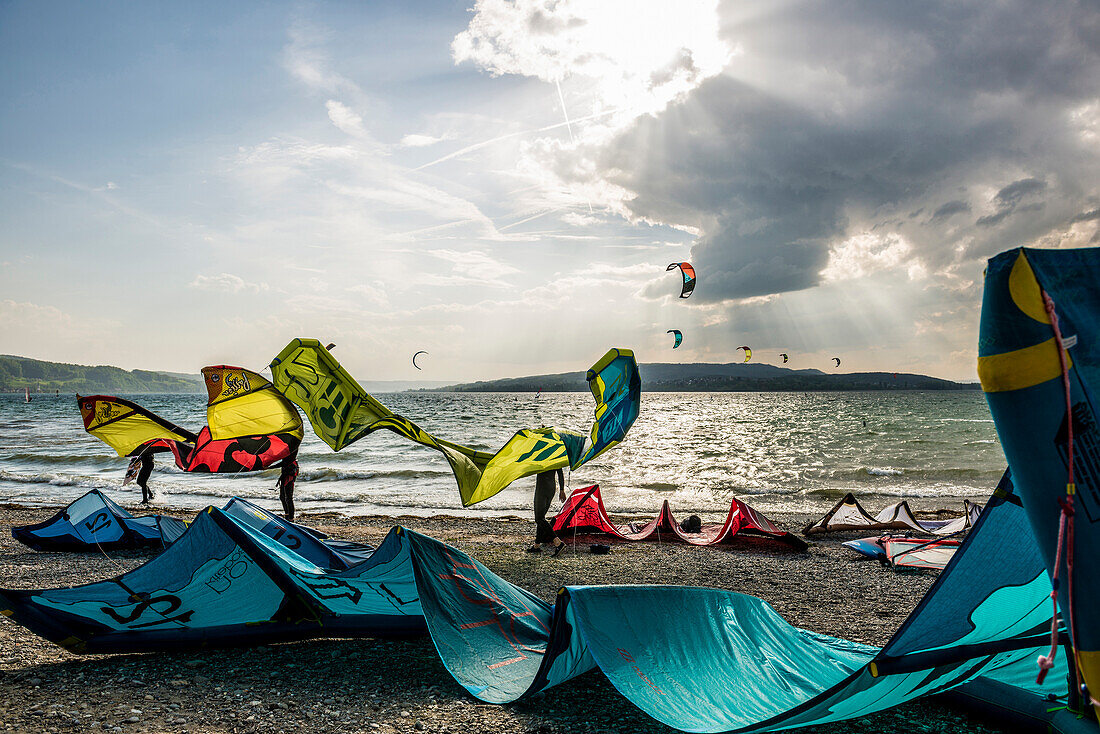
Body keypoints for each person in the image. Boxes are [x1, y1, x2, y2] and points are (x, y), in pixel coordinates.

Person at [528, 467, 567, 555]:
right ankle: (536, 546)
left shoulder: (541, 454)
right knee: (541, 517)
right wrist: (562, 490)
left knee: (539, 519)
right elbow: (560, 473)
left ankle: (558, 543)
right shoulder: (555, 455)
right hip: (550, 488)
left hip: (542, 488)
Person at [277, 455, 300, 521]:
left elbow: (282, 464)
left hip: (289, 479)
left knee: (289, 498)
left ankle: (291, 517)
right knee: (282, 497)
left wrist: (268, 467)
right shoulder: (286, 456)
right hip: (284, 478)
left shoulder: (291, 457)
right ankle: (287, 514)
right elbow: (282, 463)